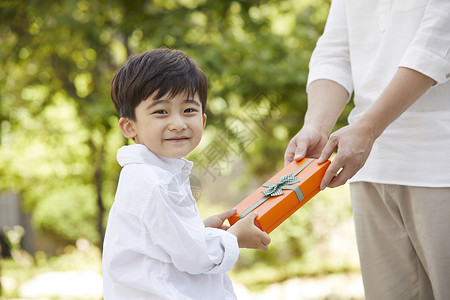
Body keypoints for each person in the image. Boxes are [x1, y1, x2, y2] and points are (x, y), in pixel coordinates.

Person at [285, 1, 450, 299]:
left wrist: (369, 128)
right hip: (370, 167)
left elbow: (437, 45)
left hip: (438, 164)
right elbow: (335, 51)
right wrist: (316, 126)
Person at [103, 48, 271, 300]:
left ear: (202, 121)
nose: (178, 123)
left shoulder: (155, 174)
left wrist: (200, 231)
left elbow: (163, 245)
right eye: (161, 111)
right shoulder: (153, 182)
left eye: (189, 111)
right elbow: (194, 256)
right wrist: (235, 237)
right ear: (130, 126)